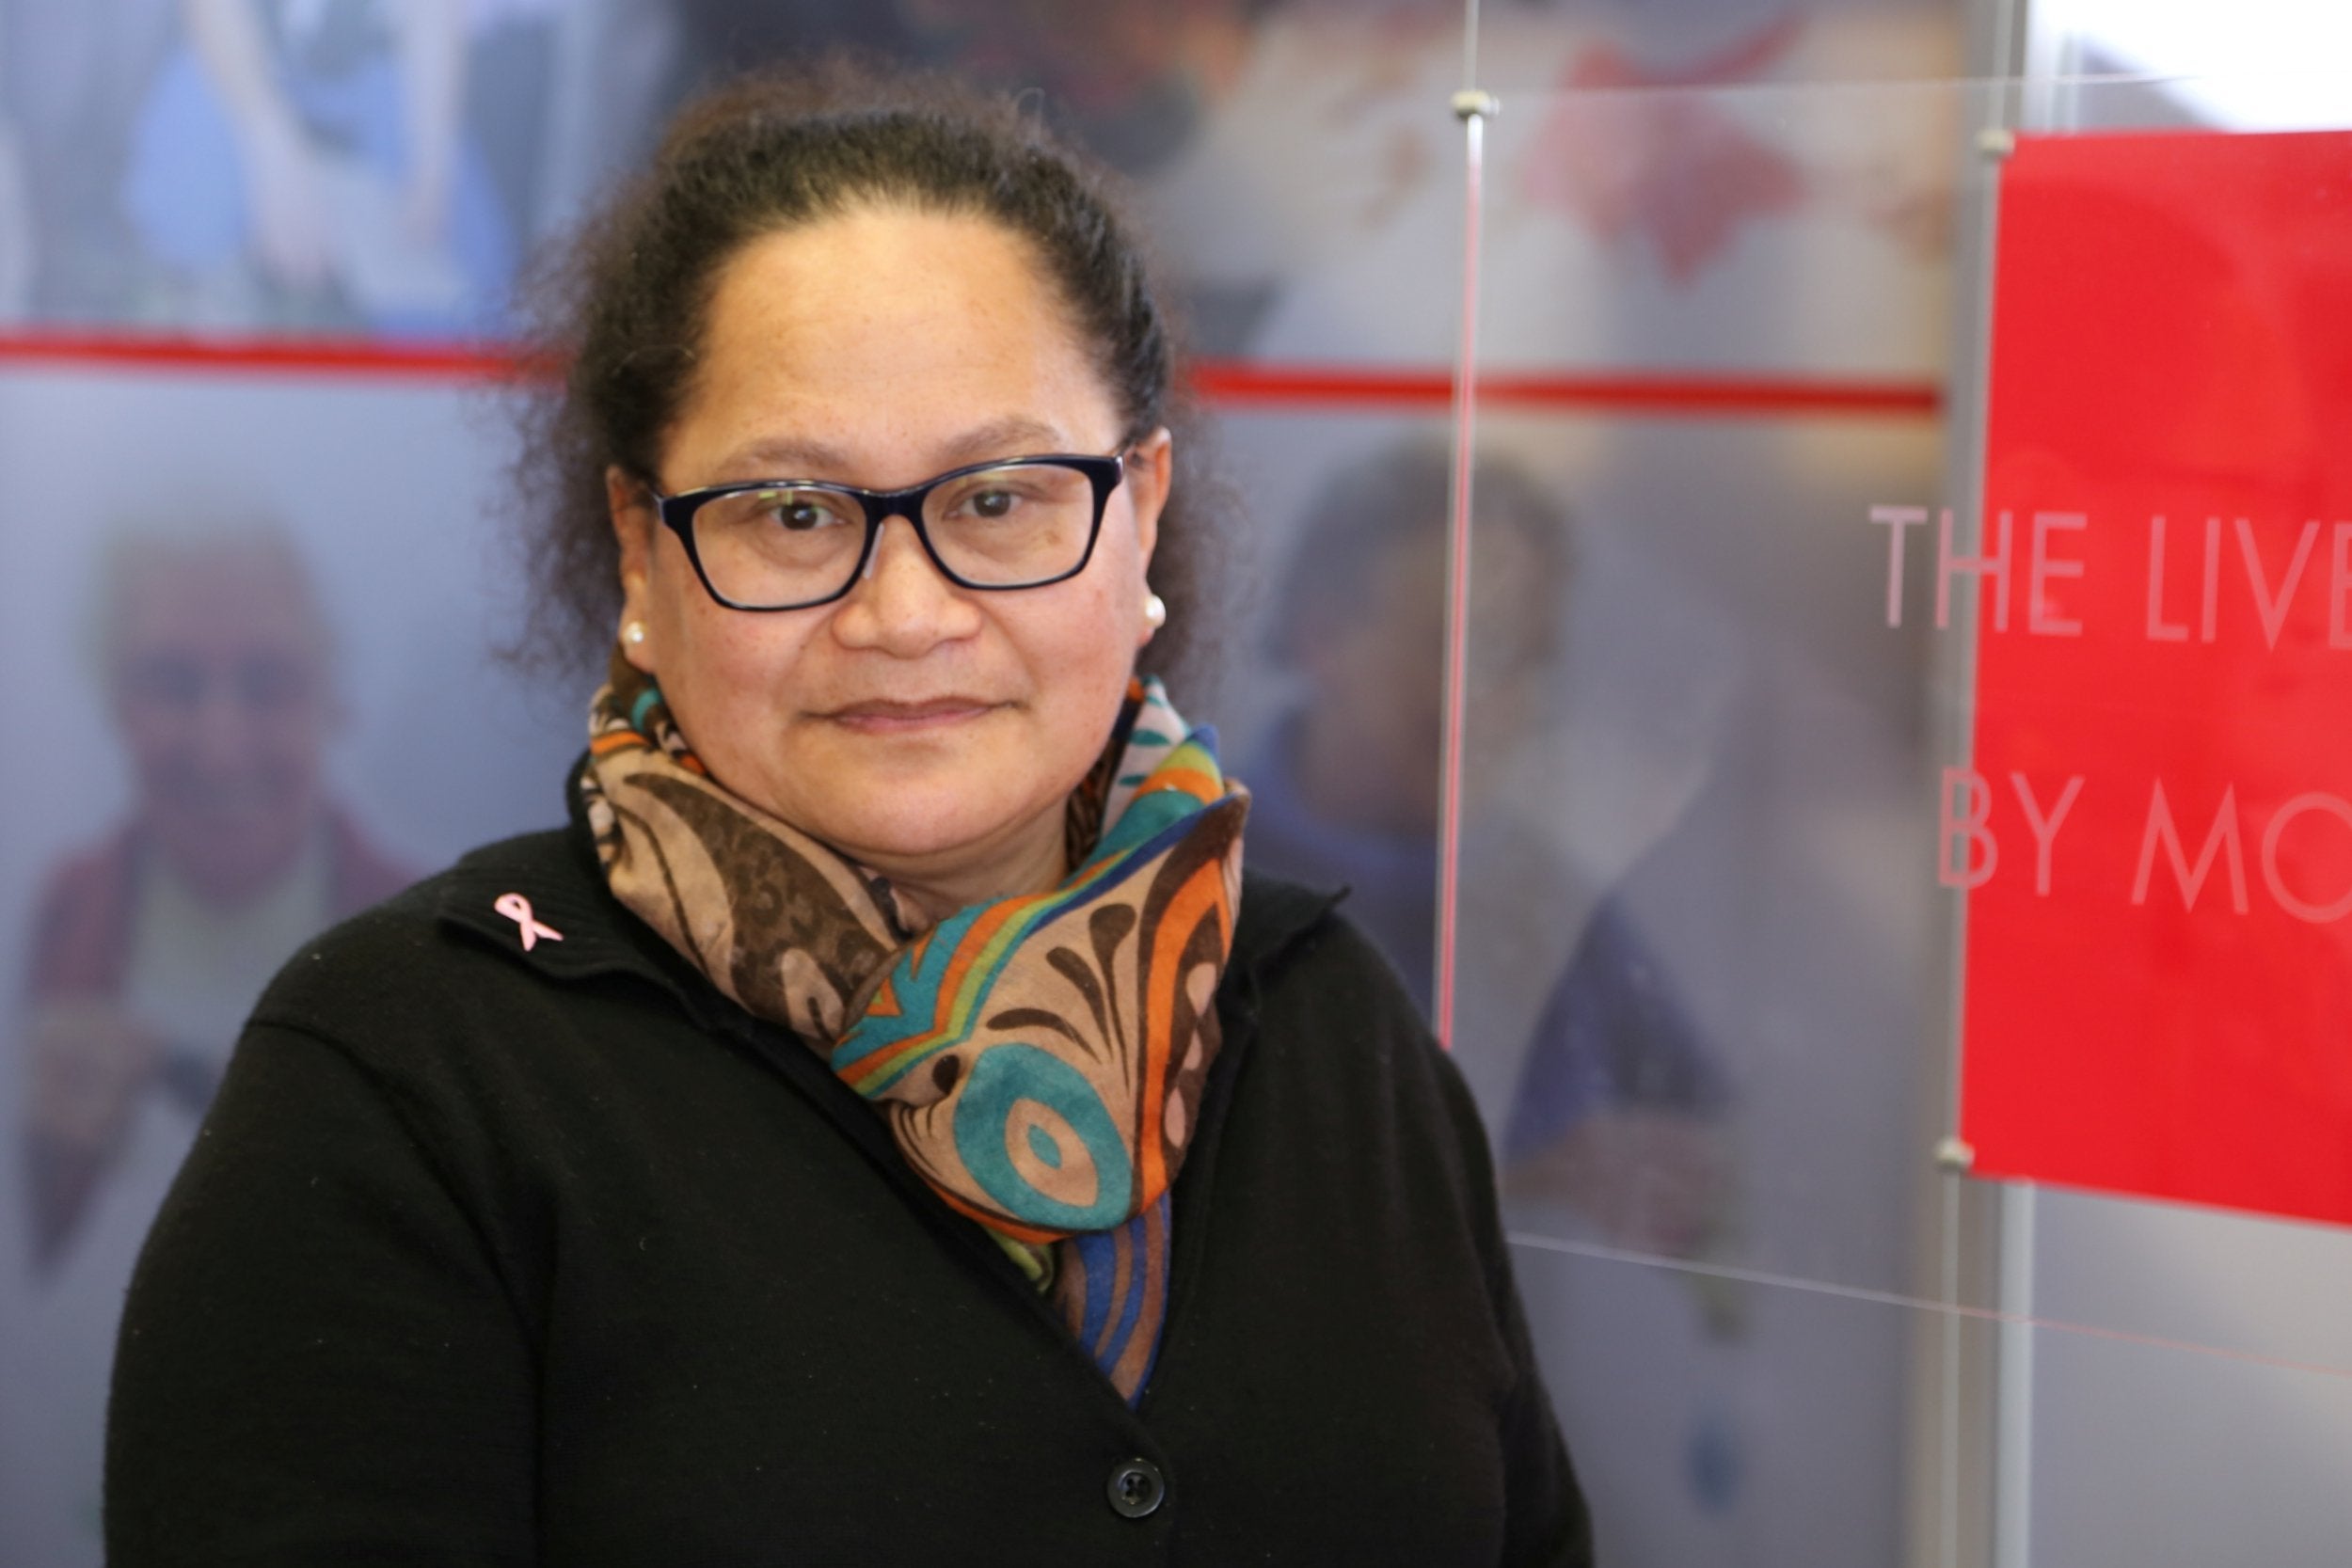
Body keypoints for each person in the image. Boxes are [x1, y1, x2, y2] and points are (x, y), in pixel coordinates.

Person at [106, 63, 1591, 1563]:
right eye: (796, 511)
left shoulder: (1333, 1025)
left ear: (1138, 506)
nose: (905, 610)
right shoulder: (405, 1080)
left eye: (999, 497)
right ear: (641, 548)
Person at [5, 519, 412, 1567]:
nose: (220, 742)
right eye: (173, 682)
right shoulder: (50, 918)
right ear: (116, 703)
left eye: (267, 683)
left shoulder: (426, 945)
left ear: (332, 701)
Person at [1246, 438, 1733, 1261]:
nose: (1496, 702)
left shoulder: (1544, 894)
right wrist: (1525, 1179)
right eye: (1464, 646)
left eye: (1523, 661)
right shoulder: (1185, 882)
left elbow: (1715, 1154)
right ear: (1322, 634)